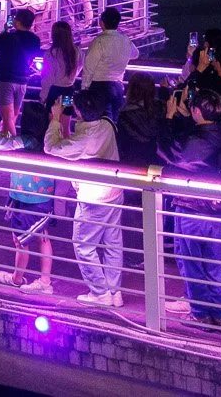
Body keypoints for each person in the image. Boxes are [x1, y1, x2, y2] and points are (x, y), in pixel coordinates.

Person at [158, 88, 221, 327]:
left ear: (197, 111)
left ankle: (200, 313)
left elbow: (169, 151)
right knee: (217, 261)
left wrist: (169, 117)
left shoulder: (196, 141)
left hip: (192, 207)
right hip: (220, 208)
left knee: (191, 261)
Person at [45, 89, 126, 307]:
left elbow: (51, 147)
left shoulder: (83, 139)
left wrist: (55, 120)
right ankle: (114, 292)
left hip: (93, 198)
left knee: (83, 245)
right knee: (112, 244)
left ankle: (99, 293)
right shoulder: (107, 124)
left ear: (79, 111)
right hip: (115, 192)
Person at [0, 100, 56, 294]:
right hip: (43, 198)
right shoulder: (49, 140)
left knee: (20, 241)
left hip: (24, 198)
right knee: (42, 238)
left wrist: (7, 123)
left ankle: (17, 279)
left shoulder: (24, 141)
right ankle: (45, 281)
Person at [0, 8, 43, 145]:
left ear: (17, 22)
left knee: (7, 118)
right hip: (23, 79)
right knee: (12, 116)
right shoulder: (35, 40)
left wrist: (5, 30)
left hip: (4, 79)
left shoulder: (7, 37)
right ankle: (3, 140)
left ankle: (13, 148)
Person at [80, 8, 137, 111]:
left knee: (99, 119)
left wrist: (84, 89)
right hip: (118, 85)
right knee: (114, 120)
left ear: (101, 23)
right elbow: (135, 54)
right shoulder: (125, 40)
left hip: (99, 86)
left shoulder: (99, 41)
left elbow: (89, 67)